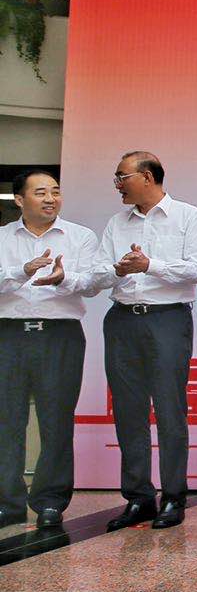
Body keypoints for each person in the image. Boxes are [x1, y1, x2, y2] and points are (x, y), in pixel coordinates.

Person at [100, 151, 197, 531]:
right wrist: (116, 269)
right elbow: (100, 271)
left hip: (167, 319)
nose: (117, 185)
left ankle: (174, 496)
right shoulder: (117, 222)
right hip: (121, 320)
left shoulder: (188, 216)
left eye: (122, 177)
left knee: (169, 409)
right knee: (128, 411)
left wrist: (150, 266)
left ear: (147, 177)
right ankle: (139, 497)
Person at [0, 169, 105, 530]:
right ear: (19, 200)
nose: (50, 199)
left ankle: (49, 502)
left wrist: (64, 279)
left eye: (55, 192)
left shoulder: (80, 236)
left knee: (56, 421)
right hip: (8, 334)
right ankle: (8, 503)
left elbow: (92, 282)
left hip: (60, 335)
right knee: (6, 421)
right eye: (41, 192)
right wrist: (21, 271)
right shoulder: (2, 237)